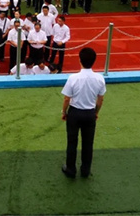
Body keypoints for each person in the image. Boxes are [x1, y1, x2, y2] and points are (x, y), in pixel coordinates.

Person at [61, 47, 106, 179]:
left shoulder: (73, 78)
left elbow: (66, 98)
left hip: (75, 113)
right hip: (90, 113)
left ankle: (71, 169)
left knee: (72, 142)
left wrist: (64, 112)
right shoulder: (99, 78)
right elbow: (101, 98)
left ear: (79, 60)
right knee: (88, 143)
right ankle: (85, 170)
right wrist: (96, 112)